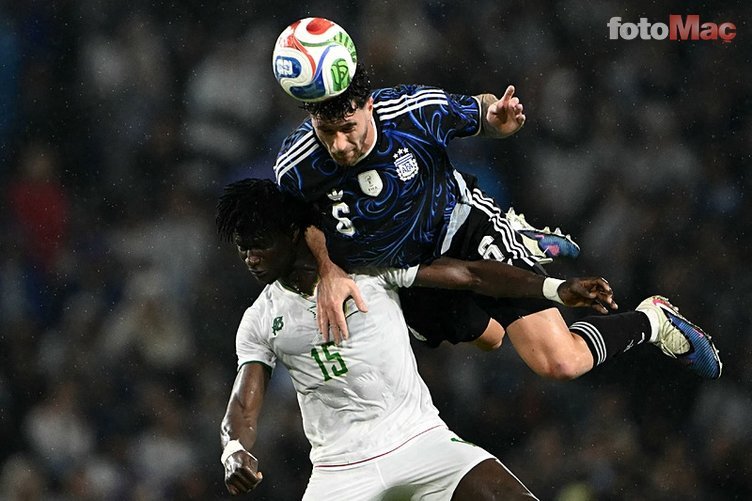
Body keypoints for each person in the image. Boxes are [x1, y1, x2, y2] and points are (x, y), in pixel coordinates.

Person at [273, 63, 722, 380]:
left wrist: (497, 118)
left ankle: (652, 320)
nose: (339, 145)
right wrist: (328, 269)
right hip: (408, 274)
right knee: (490, 338)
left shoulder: (412, 111)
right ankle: (523, 241)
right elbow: (299, 223)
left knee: (559, 362)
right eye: (326, 131)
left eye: (347, 128)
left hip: (462, 229)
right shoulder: (295, 166)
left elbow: (483, 110)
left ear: (369, 106)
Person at [215, 178, 626, 499]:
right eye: (243, 250)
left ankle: (506, 236)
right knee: (489, 336)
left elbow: (470, 274)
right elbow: (243, 407)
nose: (251, 259)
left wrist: (555, 288)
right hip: (339, 471)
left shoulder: (365, 266)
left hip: (419, 440)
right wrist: (234, 450)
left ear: (292, 234)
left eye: (259, 247)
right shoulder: (259, 320)